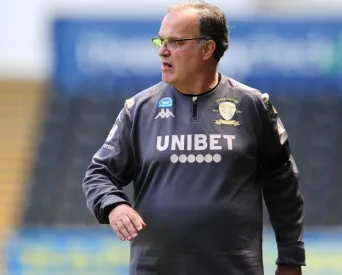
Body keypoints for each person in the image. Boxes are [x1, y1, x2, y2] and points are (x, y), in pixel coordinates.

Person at [81, 1, 306, 275]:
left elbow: (283, 185)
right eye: (160, 41)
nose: (162, 51)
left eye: (175, 42)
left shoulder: (253, 106)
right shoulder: (138, 109)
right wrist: (114, 205)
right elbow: (98, 174)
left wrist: (291, 258)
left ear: (207, 48)